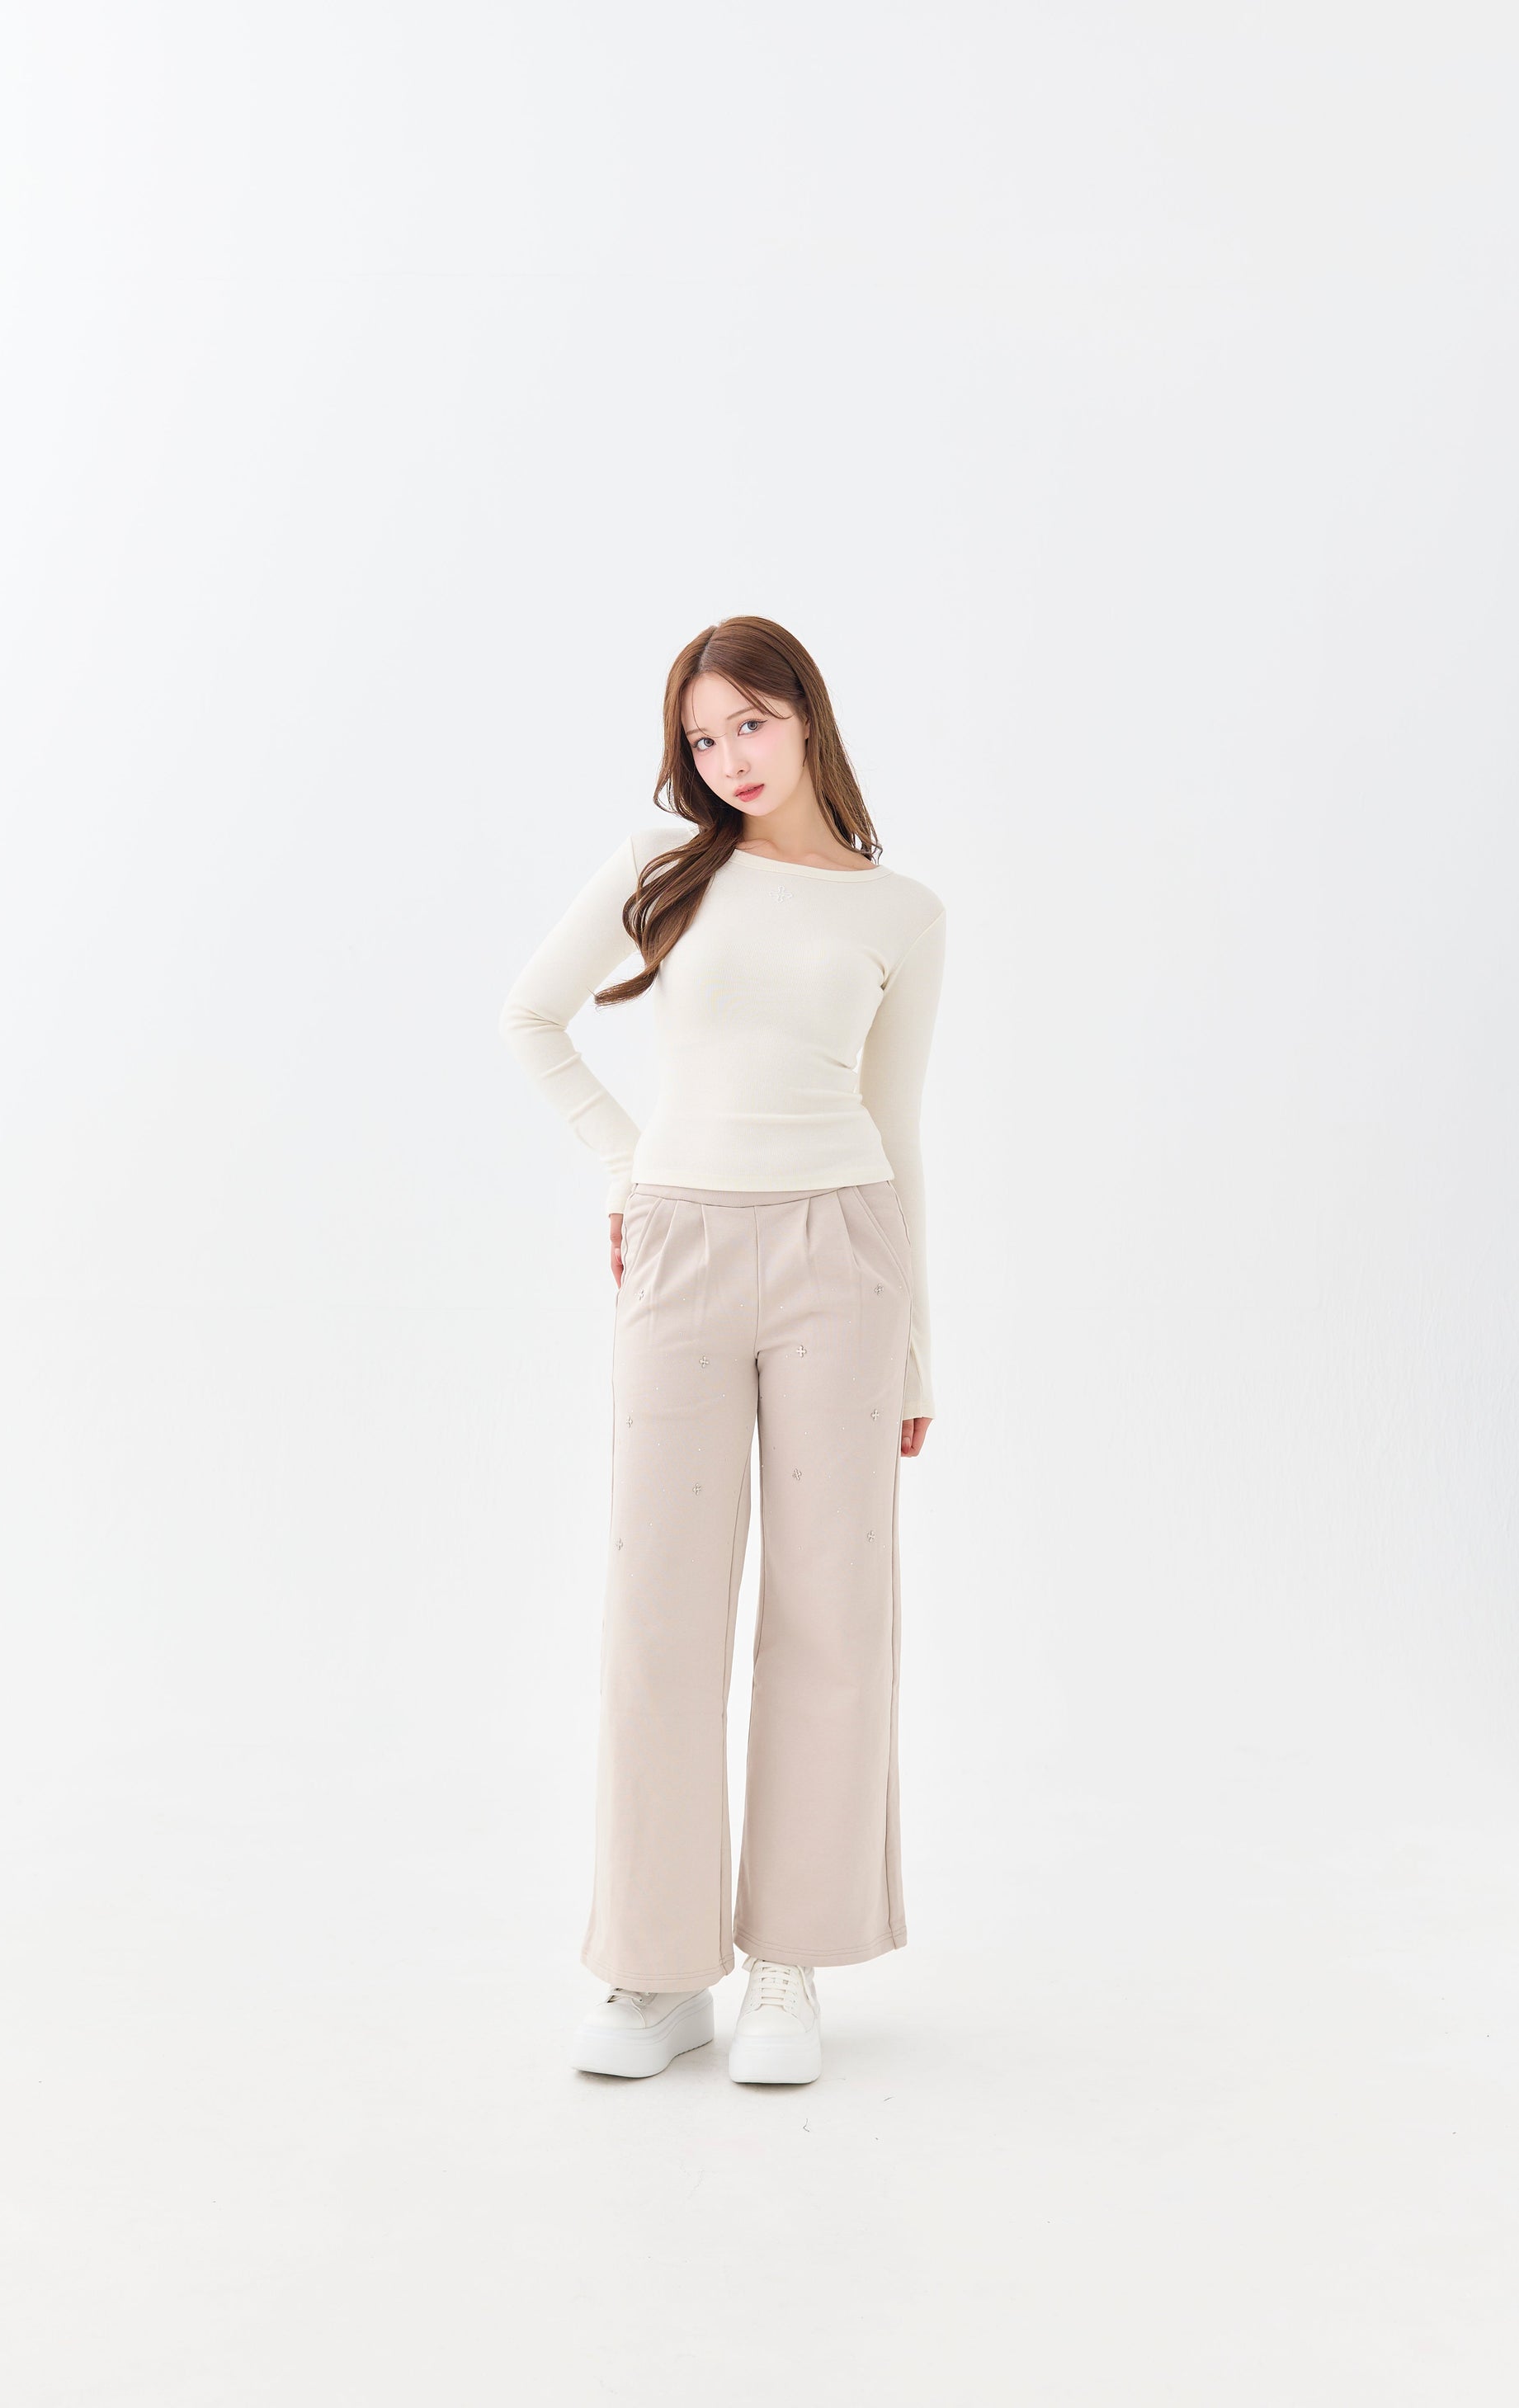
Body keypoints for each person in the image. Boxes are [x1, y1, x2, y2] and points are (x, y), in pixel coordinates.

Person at [498, 615, 946, 2085]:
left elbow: (897, 1127)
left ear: (805, 715)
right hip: (682, 1249)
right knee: (660, 1614)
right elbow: (532, 1018)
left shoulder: (900, 913)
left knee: (831, 1614)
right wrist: (630, 1171)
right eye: (701, 738)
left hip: (843, 1255)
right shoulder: (659, 867)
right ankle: (652, 1971)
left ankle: (786, 1969)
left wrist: (918, 1351)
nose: (728, 758)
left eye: (749, 723)